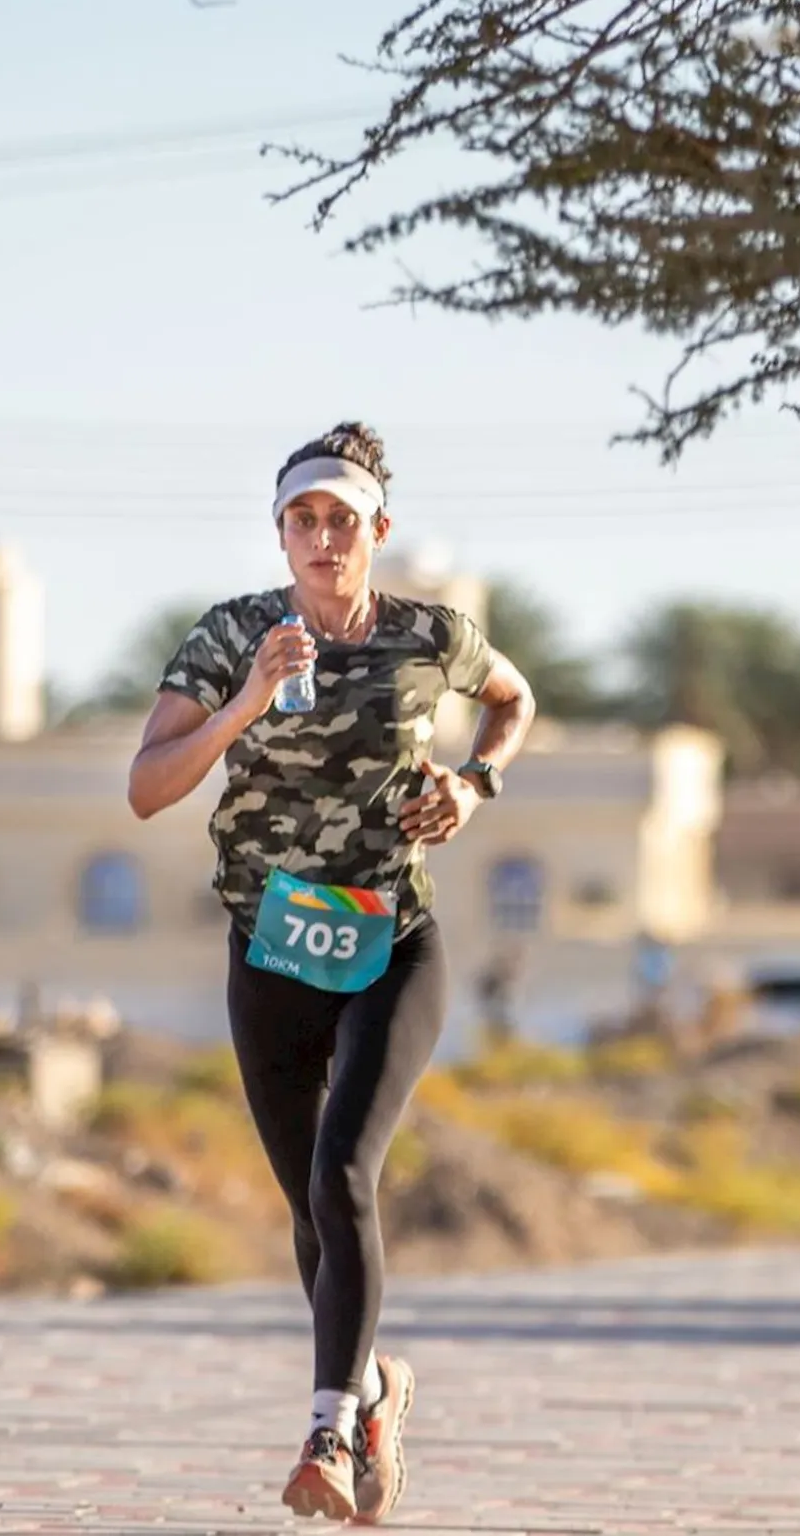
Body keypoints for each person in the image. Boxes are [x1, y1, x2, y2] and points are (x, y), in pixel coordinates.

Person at [128, 422, 536, 1524]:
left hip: (393, 940)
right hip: (270, 949)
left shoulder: (428, 636)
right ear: (280, 532)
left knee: (343, 1171)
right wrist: (246, 699)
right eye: (301, 520)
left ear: (377, 531)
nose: (320, 537)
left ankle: (325, 1431)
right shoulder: (232, 635)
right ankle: (378, 1393)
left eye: (340, 520)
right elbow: (148, 787)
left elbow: (513, 696)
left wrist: (476, 783)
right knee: (309, 1206)